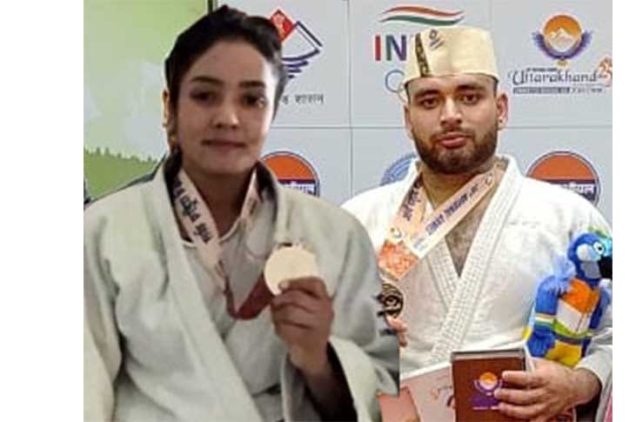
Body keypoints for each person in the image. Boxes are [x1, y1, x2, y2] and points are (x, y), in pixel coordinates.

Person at [84, 6, 398, 421]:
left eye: (252, 100)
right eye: (205, 96)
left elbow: (379, 393)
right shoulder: (103, 233)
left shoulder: (336, 235)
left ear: (273, 111)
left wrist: (319, 360)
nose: (228, 118)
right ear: (169, 108)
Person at [342, 26, 611, 421]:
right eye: (429, 101)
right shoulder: (357, 223)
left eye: (469, 97)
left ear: (501, 108)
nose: (450, 115)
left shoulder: (569, 218)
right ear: (408, 117)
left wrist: (581, 382)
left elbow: (616, 334)